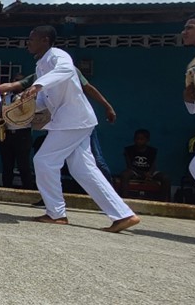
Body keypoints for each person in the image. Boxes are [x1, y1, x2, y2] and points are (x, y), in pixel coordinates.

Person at [20, 25, 139, 232]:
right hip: (74, 121)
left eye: (32, 38)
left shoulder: (58, 55)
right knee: (83, 169)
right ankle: (124, 215)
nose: (28, 42)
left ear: (45, 40)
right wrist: (25, 103)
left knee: (44, 161)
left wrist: (38, 85)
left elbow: (66, 70)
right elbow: (45, 100)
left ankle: (56, 213)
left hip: (72, 120)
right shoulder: (40, 66)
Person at [2, 67, 116, 181]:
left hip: (81, 123)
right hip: (61, 125)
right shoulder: (39, 75)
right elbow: (36, 99)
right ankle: (51, 192)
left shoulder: (69, 70)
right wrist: (24, 107)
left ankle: (108, 188)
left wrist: (107, 106)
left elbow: (89, 88)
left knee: (96, 161)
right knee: (48, 160)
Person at [0, 75, 36, 189]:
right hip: (7, 133)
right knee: (7, 164)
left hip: (22, 133)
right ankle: (6, 190)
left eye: (20, 80)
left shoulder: (27, 96)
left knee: (23, 165)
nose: (17, 83)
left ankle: (28, 190)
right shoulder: (6, 97)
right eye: (15, 80)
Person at [120, 129, 170, 201]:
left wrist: (149, 173)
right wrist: (142, 174)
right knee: (124, 175)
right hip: (135, 171)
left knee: (165, 178)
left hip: (149, 172)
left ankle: (164, 201)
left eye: (141, 139)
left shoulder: (152, 151)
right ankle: (125, 199)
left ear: (147, 140)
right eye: (137, 139)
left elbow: (153, 165)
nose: (138, 141)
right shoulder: (129, 150)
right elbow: (129, 166)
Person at [180, 14, 195, 183]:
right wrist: (188, 97)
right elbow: (194, 109)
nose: (184, 32)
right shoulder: (193, 66)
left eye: (189, 28)